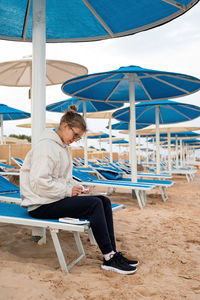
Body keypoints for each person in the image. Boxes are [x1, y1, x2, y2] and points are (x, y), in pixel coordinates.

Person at [20, 106, 139, 275]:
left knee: (104, 201)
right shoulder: (46, 147)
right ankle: (108, 257)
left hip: (52, 199)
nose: (75, 139)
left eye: (79, 137)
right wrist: (68, 191)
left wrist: (76, 189)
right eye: (75, 135)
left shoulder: (62, 148)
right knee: (94, 205)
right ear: (65, 126)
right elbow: (40, 183)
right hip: (39, 204)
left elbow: (63, 180)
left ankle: (112, 254)